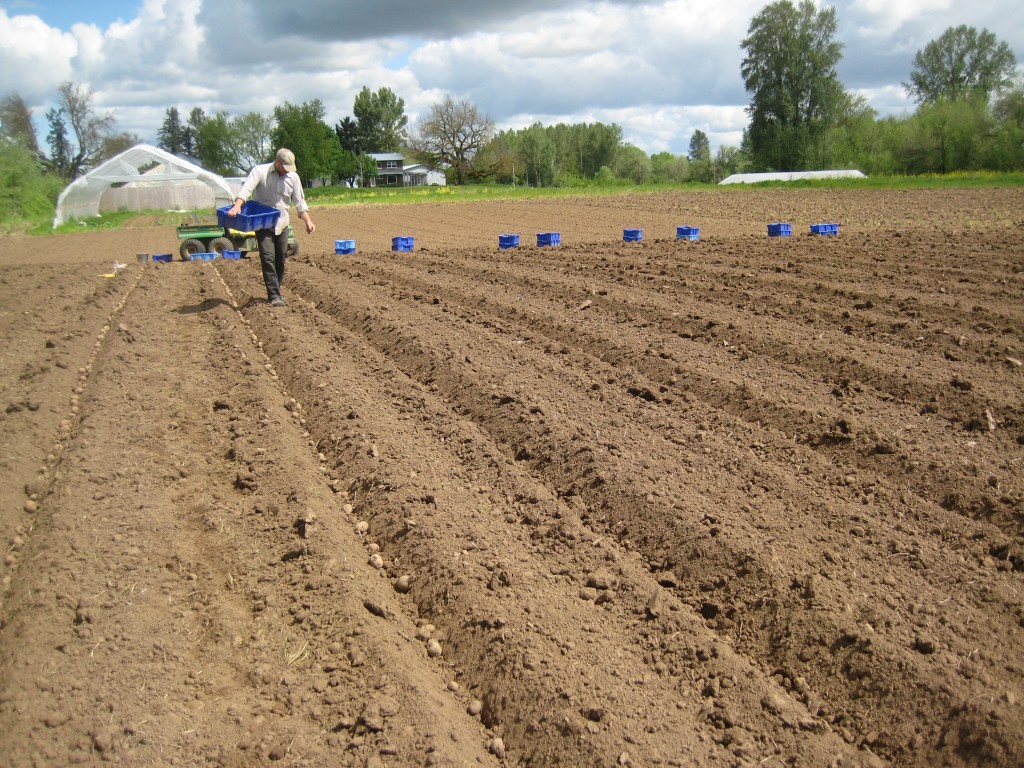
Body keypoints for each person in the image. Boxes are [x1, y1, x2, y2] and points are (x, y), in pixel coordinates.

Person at [225, 148, 315, 307]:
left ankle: (276, 291)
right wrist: (237, 206)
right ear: (277, 162)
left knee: (280, 259)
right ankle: (273, 295)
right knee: (267, 258)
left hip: (282, 223)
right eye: (285, 168)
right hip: (263, 223)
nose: (287, 172)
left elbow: (300, 202)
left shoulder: (293, 177)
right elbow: (246, 189)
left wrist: (308, 220)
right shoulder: (260, 171)